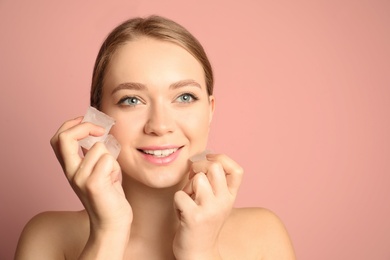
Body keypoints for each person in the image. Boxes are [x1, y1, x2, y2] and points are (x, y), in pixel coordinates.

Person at [15, 15, 296, 259]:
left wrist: (201, 253)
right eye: (132, 100)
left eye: (185, 97)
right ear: (98, 118)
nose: (160, 125)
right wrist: (108, 233)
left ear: (209, 111)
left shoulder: (263, 235)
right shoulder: (48, 237)